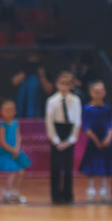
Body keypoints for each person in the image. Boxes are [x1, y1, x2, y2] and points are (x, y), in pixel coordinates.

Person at [45, 72, 81, 204]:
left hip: (69, 132)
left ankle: (67, 195)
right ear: (57, 84)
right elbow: (49, 121)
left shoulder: (75, 100)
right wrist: (55, 140)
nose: (63, 86)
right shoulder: (52, 101)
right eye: (61, 83)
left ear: (71, 85)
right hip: (57, 132)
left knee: (67, 167)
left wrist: (70, 140)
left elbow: (77, 122)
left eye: (67, 84)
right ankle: (55, 195)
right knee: (55, 167)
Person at [77, 81, 112, 204]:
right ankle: (91, 189)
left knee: (104, 165)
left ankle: (104, 189)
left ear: (104, 93)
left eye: (100, 91)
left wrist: (108, 138)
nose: (98, 94)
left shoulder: (107, 108)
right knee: (91, 166)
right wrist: (95, 140)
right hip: (93, 141)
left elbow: (111, 125)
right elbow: (86, 126)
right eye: (95, 91)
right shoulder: (87, 108)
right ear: (91, 93)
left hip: (105, 141)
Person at [0, 99, 30, 205]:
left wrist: (17, 149)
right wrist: (12, 150)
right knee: (12, 173)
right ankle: (8, 193)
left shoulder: (16, 123)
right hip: (6, 152)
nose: (8, 113)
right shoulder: (2, 125)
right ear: (2, 112)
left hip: (15, 151)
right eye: (6, 110)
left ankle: (15, 193)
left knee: (21, 172)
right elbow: (2, 141)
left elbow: (18, 136)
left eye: (10, 110)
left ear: (14, 111)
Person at [12, 54, 53, 118]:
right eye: (31, 63)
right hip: (21, 109)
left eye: (35, 64)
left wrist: (42, 76)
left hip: (38, 109)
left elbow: (49, 90)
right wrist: (26, 71)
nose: (33, 66)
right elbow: (14, 82)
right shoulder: (23, 70)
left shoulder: (43, 73)